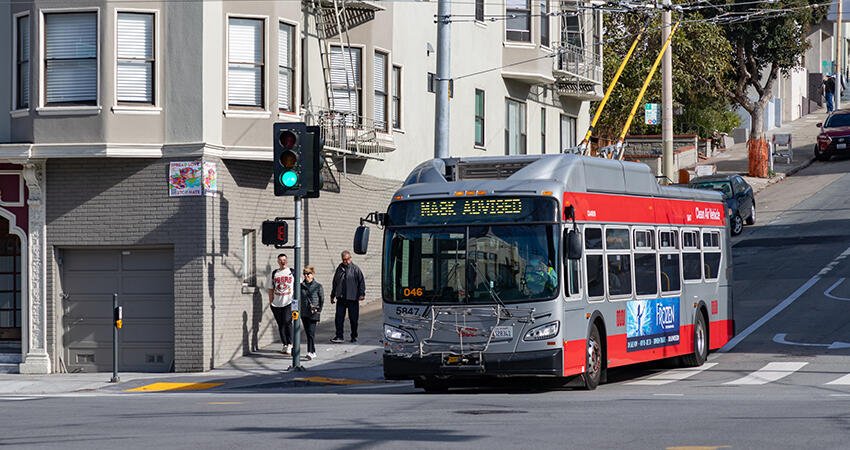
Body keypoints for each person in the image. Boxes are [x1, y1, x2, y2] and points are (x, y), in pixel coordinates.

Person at [330, 250, 366, 343]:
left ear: (350, 258)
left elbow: (361, 282)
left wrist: (362, 294)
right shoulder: (339, 269)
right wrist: (333, 295)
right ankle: (339, 336)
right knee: (339, 318)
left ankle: (354, 336)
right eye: (344, 259)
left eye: (347, 259)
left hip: (352, 298)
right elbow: (335, 283)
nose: (346, 261)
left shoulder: (355, 269)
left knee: (353, 319)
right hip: (341, 298)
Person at [267, 253, 294, 354]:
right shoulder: (274, 273)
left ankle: (290, 344)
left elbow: (299, 286)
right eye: (280, 260)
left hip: (289, 302)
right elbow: (270, 289)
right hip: (276, 303)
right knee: (281, 324)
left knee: (287, 322)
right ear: (278, 262)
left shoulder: (292, 272)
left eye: (284, 260)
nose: (283, 262)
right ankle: (285, 344)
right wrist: (271, 302)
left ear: (287, 261)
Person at [300, 265, 324, 360]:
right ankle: (312, 351)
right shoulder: (301, 286)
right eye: (305, 274)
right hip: (304, 312)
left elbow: (322, 299)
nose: (306, 276)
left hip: (314, 312)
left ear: (313, 274)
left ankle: (310, 352)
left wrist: (319, 310)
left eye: (308, 274)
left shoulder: (318, 286)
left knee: (311, 332)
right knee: (307, 332)